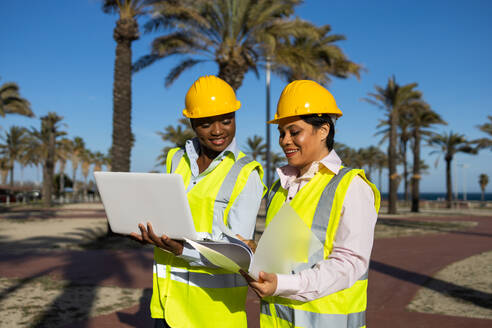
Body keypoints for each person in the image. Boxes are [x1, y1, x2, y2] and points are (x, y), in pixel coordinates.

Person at [131, 75, 266, 328]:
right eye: (206, 124)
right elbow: (166, 215)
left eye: (226, 121)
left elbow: (238, 254)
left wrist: (181, 248)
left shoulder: (247, 174)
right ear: (192, 122)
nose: (218, 131)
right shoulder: (175, 159)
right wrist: (146, 232)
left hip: (214, 315)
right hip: (167, 306)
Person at [247, 80, 380, 328]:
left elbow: (349, 264)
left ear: (323, 130)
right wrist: (253, 253)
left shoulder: (351, 186)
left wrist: (283, 284)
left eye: (294, 132)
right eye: (281, 133)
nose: (285, 140)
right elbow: (289, 256)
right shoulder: (279, 187)